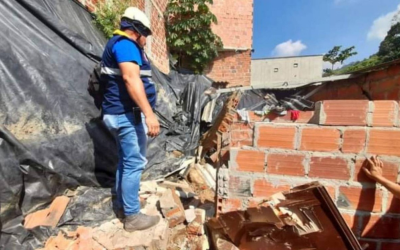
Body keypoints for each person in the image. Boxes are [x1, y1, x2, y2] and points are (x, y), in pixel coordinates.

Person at [100, 7, 160, 232]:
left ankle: (124, 204)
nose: (146, 40)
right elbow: (130, 78)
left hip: (118, 115)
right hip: (125, 116)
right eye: (146, 35)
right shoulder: (125, 45)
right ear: (138, 30)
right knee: (134, 163)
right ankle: (133, 217)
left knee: (126, 162)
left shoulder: (118, 43)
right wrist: (149, 114)